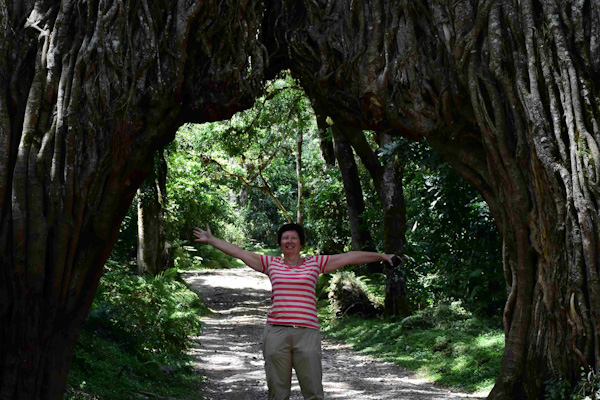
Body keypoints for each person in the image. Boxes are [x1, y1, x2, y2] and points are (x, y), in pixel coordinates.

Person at [193, 223, 395, 400]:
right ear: (280, 242)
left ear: (301, 243)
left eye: (293, 238)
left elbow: (350, 257)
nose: (289, 241)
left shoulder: (315, 263)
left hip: (307, 332)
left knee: (313, 391)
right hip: (276, 333)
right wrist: (212, 240)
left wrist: (382, 256)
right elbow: (239, 252)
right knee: (278, 393)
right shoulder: (270, 263)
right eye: (285, 238)